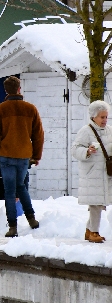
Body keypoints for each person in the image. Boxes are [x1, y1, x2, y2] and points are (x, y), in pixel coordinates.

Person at [0, 76, 44, 237]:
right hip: (24, 155)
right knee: (21, 187)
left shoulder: (0, 109)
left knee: (9, 191)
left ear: (6, 90)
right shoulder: (30, 109)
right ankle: (32, 219)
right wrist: (36, 155)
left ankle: (12, 227)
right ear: (19, 88)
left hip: (6, 155)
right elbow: (38, 134)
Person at [71, 100, 112, 243]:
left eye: (106, 117)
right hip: (92, 174)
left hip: (105, 174)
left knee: (98, 204)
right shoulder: (86, 131)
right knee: (95, 204)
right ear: (94, 116)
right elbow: (75, 150)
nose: (105, 120)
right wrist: (87, 151)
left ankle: (89, 231)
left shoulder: (109, 130)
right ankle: (94, 232)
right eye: (102, 117)